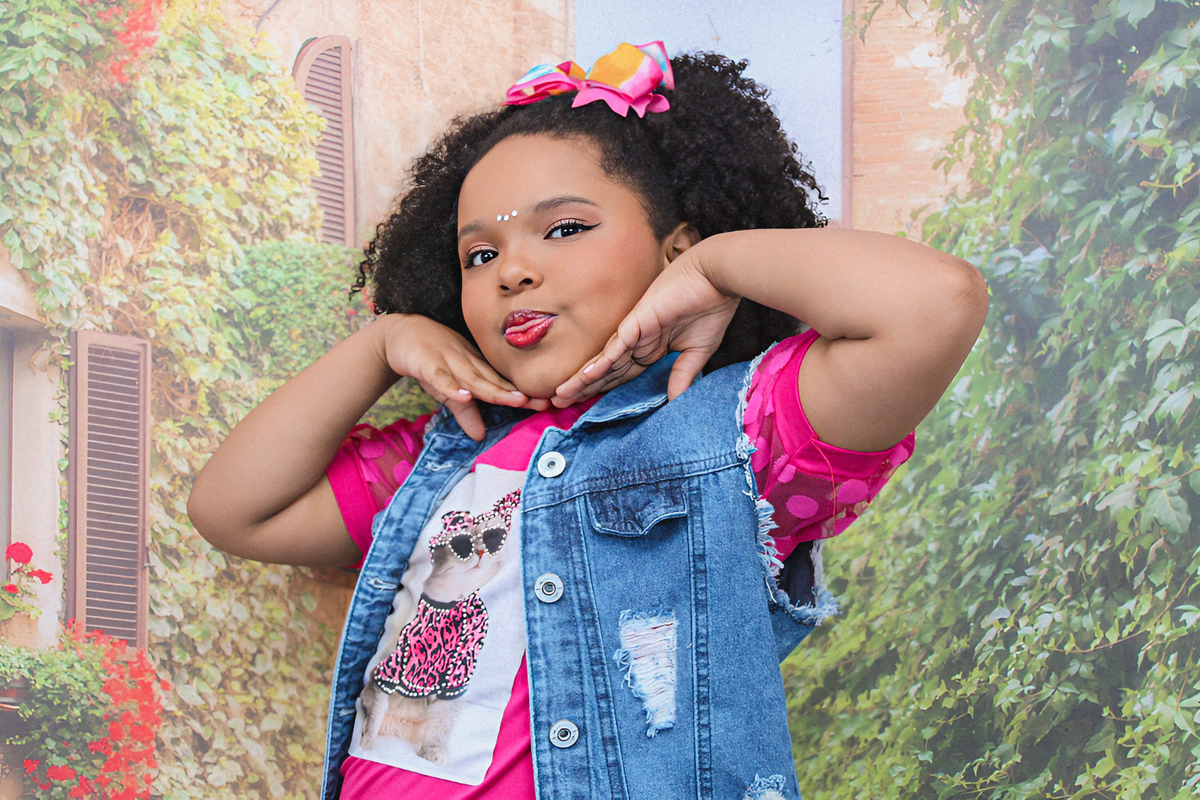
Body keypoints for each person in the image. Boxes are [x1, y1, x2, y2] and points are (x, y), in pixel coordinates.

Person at [187, 42, 988, 800]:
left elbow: (932, 306)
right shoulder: (448, 456)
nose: (513, 270)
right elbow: (233, 510)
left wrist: (716, 267)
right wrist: (379, 345)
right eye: (479, 255)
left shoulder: (740, 435)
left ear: (674, 249)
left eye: (564, 228)